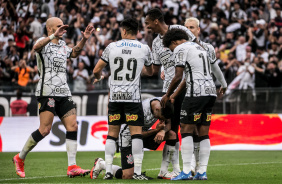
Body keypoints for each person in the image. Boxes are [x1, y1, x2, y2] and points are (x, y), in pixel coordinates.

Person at [12, 17, 94, 178]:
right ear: (49, 29)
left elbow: (75, 53)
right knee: (45, 130)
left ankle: (72, 166)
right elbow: (35, 48)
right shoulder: (43, 42)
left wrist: (84, 39)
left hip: (64, 92)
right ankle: (19, 158)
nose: (62, 29)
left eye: (63, 26)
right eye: (58, 27)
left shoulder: (63, 45)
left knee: (73, 126)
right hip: (47, 92)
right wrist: (52, 36)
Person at [161, 28, 227, 180]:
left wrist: (167, 94)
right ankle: (202, 172)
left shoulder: (180, 48)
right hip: (210, 92)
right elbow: (212, 68)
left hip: (195, 93)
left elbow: (178, 76)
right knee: (203, 132)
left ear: (174, 42)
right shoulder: (201, 48)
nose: (173, 51)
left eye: (171, 48)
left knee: (186, 129)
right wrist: (223, 84)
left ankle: (185, 172)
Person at [93, 17, 153, 180]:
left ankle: (108, 171)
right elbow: (150, 71)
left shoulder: (112, 47)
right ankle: (138, 173)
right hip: (132, 98)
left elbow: (96, 69)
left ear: (124, 31)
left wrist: (99, 76)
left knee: (112, 134)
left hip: (115, 97)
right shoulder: (143, 48)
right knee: (136, 134)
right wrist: (140, 70)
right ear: (137, 32)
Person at [144, 8, 197, 177]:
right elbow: (155, 69)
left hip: (188, 84)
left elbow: (198, 48)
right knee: (171, 129)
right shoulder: (155, 42)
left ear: (156, 21)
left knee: (190, 126)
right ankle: (166, 170)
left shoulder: (180, 30)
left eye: (148, 23)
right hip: (168, 89)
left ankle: (194, 166)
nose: (147, 27)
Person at [90, 97, 176, 180]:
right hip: (128, 137)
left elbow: (168, 122)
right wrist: (156, 130)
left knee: (171, 135)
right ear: (157, 109)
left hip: (145, 133)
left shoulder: (164, 103)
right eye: (160, 117)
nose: (160, 120)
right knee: (127, 176)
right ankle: (102, 164)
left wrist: (163, 131)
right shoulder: (141, 110)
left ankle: (163, 171)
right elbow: (137, 135)